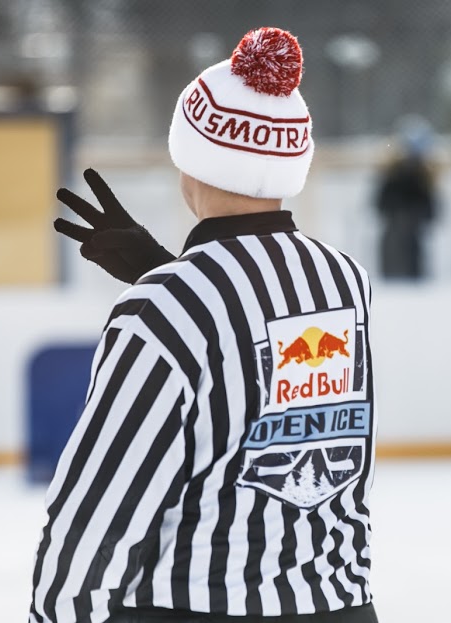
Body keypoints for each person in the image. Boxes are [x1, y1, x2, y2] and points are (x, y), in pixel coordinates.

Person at [32, 27, 378, 623]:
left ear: (191, 158)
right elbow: (267, 395)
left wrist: (163, 287)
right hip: (339, 605)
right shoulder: (345, 282)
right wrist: (163, 272)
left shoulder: (164, 310)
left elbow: (96, 510)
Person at [374, 115, 439, 280]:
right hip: (394, 240)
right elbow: (380, 205)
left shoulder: (424, 176)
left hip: (412, 242)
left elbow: (431, 211)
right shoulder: (392, 174)